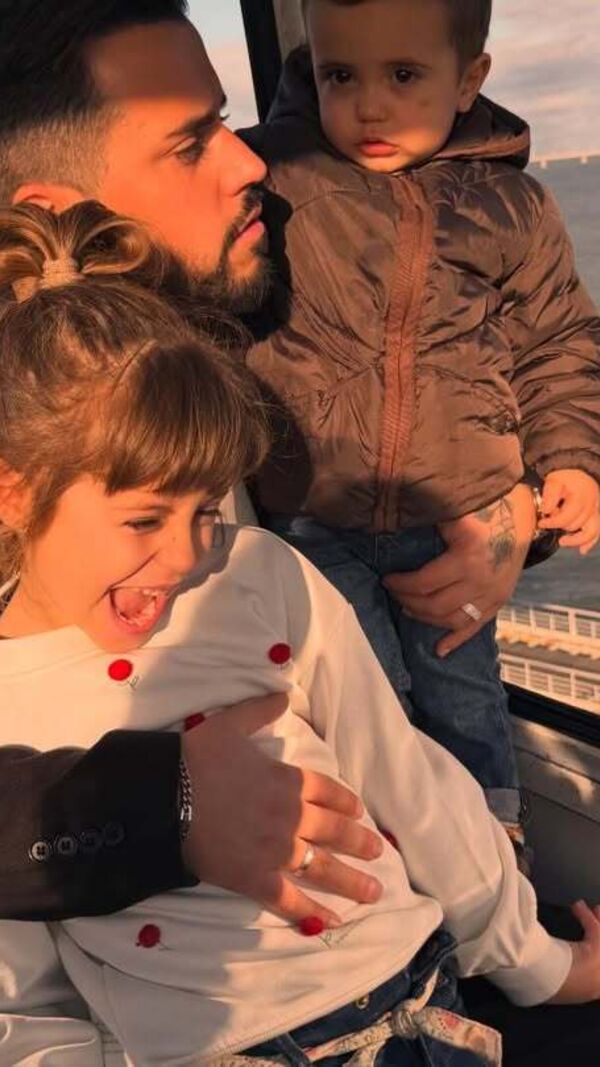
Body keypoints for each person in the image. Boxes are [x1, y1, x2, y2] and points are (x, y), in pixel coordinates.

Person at [0, 202, 599, 1067]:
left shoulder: (256, 575)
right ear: (17, 493)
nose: (186, 555)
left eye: (206, 508)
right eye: (143, 518)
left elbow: (405, 777)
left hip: (419, 1005)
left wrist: (535, 961)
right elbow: (23, 992)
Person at [0, 0, 386, 923]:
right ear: (58, 213)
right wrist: (158, 806)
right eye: (190, 142)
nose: (249, 163)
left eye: (227, 120)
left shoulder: (235, 312)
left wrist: (499, 512)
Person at [243, 0, 600, 852]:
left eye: (404, 75)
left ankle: (495, 846)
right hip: (312, 512)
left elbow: (557, 341)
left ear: (469, 79)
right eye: (340, 75)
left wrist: (572, 459)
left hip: (455, 511)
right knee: (365, 702)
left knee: (466, 697)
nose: (370, 105)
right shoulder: (275, 180)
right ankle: (397, 859)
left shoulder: (513, 207)